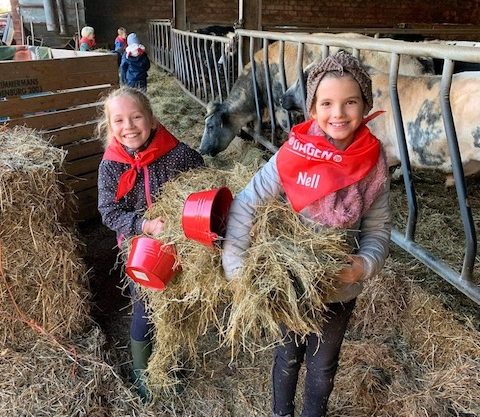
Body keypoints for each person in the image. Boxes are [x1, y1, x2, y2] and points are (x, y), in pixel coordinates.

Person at [222, 51, 391, 417]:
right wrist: (235, 268)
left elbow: (378, 230)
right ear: (312, 109)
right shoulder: (292, 155)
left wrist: (361, 267)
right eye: (327, 103)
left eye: (350, 102)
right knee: (287, 354)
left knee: (323, 364)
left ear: (365, 106)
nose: (339, 113)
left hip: (339, 287)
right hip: (290, 282)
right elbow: (247, 202)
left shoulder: (374, 162)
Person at [97, 86, 204, 402]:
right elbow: (108, 211)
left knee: (178, 304)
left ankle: (172, 363)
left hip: (180, 246)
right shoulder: (111, 165)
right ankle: (144, 373)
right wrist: (143, 226)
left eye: (136, 117)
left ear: (152, 119)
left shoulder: (177, 153)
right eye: (119, 120)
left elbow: (203, 181)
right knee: (144, 310)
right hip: (139, 252)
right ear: (110, 126)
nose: (128, 126)